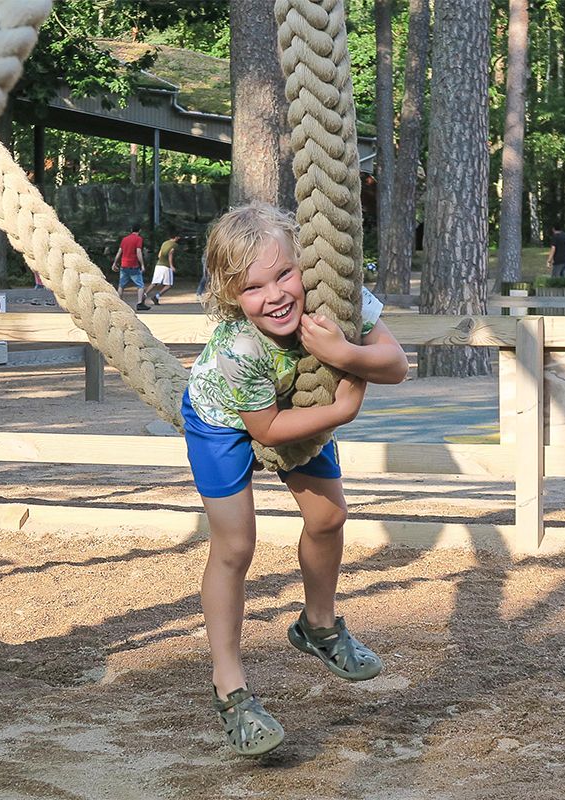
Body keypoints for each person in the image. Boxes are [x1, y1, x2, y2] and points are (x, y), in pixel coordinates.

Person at [183, 204, 409, 756]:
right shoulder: (237, 349)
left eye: (285, 274)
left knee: (330, 516)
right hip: (223, 420)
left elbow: (395, 363)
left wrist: (345, 353)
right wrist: (341, 411)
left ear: (306, 266)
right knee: (236, 545)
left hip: (291, 402)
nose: (276, 295)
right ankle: (230, 687)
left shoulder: (338, 296)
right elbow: (268, 429)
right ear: (232, 296)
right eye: (254, 287)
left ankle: (318, 624)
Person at [111, 224, 150, 311]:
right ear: (139, 230)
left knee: (121, 285)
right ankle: (140, 303)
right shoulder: (138, 239)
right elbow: (138, 251)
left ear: (131, 230)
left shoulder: (125, 239)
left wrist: (115, 263)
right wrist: (142, 264)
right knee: (140, 285)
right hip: (133, 265)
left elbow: (119, 251)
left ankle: (118, 303)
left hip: (124, 265)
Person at [148, 234, 181, 305]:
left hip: (159, 264)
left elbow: (159, 255)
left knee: (154, 283)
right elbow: (170, 254)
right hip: (166, 266)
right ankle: (156, 296)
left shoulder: (164, 243)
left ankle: (143, 295)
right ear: (176, 237)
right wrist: (171, 266)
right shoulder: (174, 245)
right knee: (169, 285)